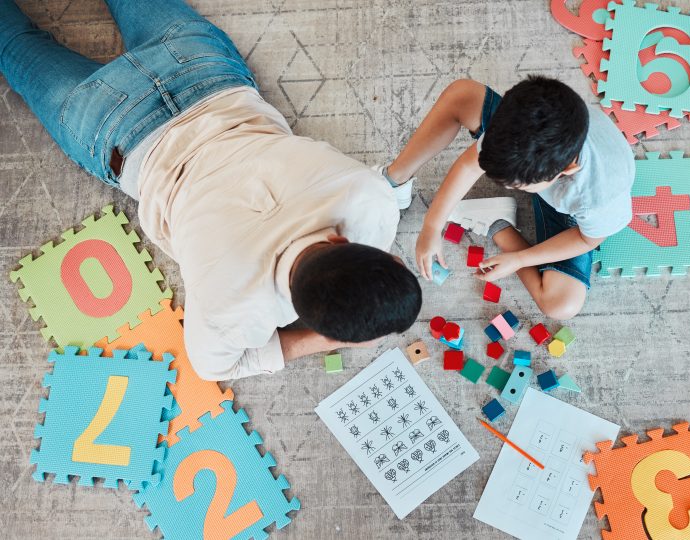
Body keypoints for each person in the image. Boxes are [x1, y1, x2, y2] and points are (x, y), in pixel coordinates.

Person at [0, 0, 421, 380]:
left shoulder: (367, 197)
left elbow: (389, 191)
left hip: (199, 68)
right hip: (115, 132)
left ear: (341, 238)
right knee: (13, 42)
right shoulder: (234, 311)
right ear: (298, 310)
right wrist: (326, 341)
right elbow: (210, 367)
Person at [378, 77, 635, 320]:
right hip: (542, 162)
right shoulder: (513, 132)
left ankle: (499, 226)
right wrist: (432, 225)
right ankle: (394, 179)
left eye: (517, 185)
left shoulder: (600, 197)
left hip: (571, 215)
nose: (508, 187)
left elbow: (586, 239)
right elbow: (470, 166)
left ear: (566, 170)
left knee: (561, 305)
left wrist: (520, 259)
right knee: (462, 94)